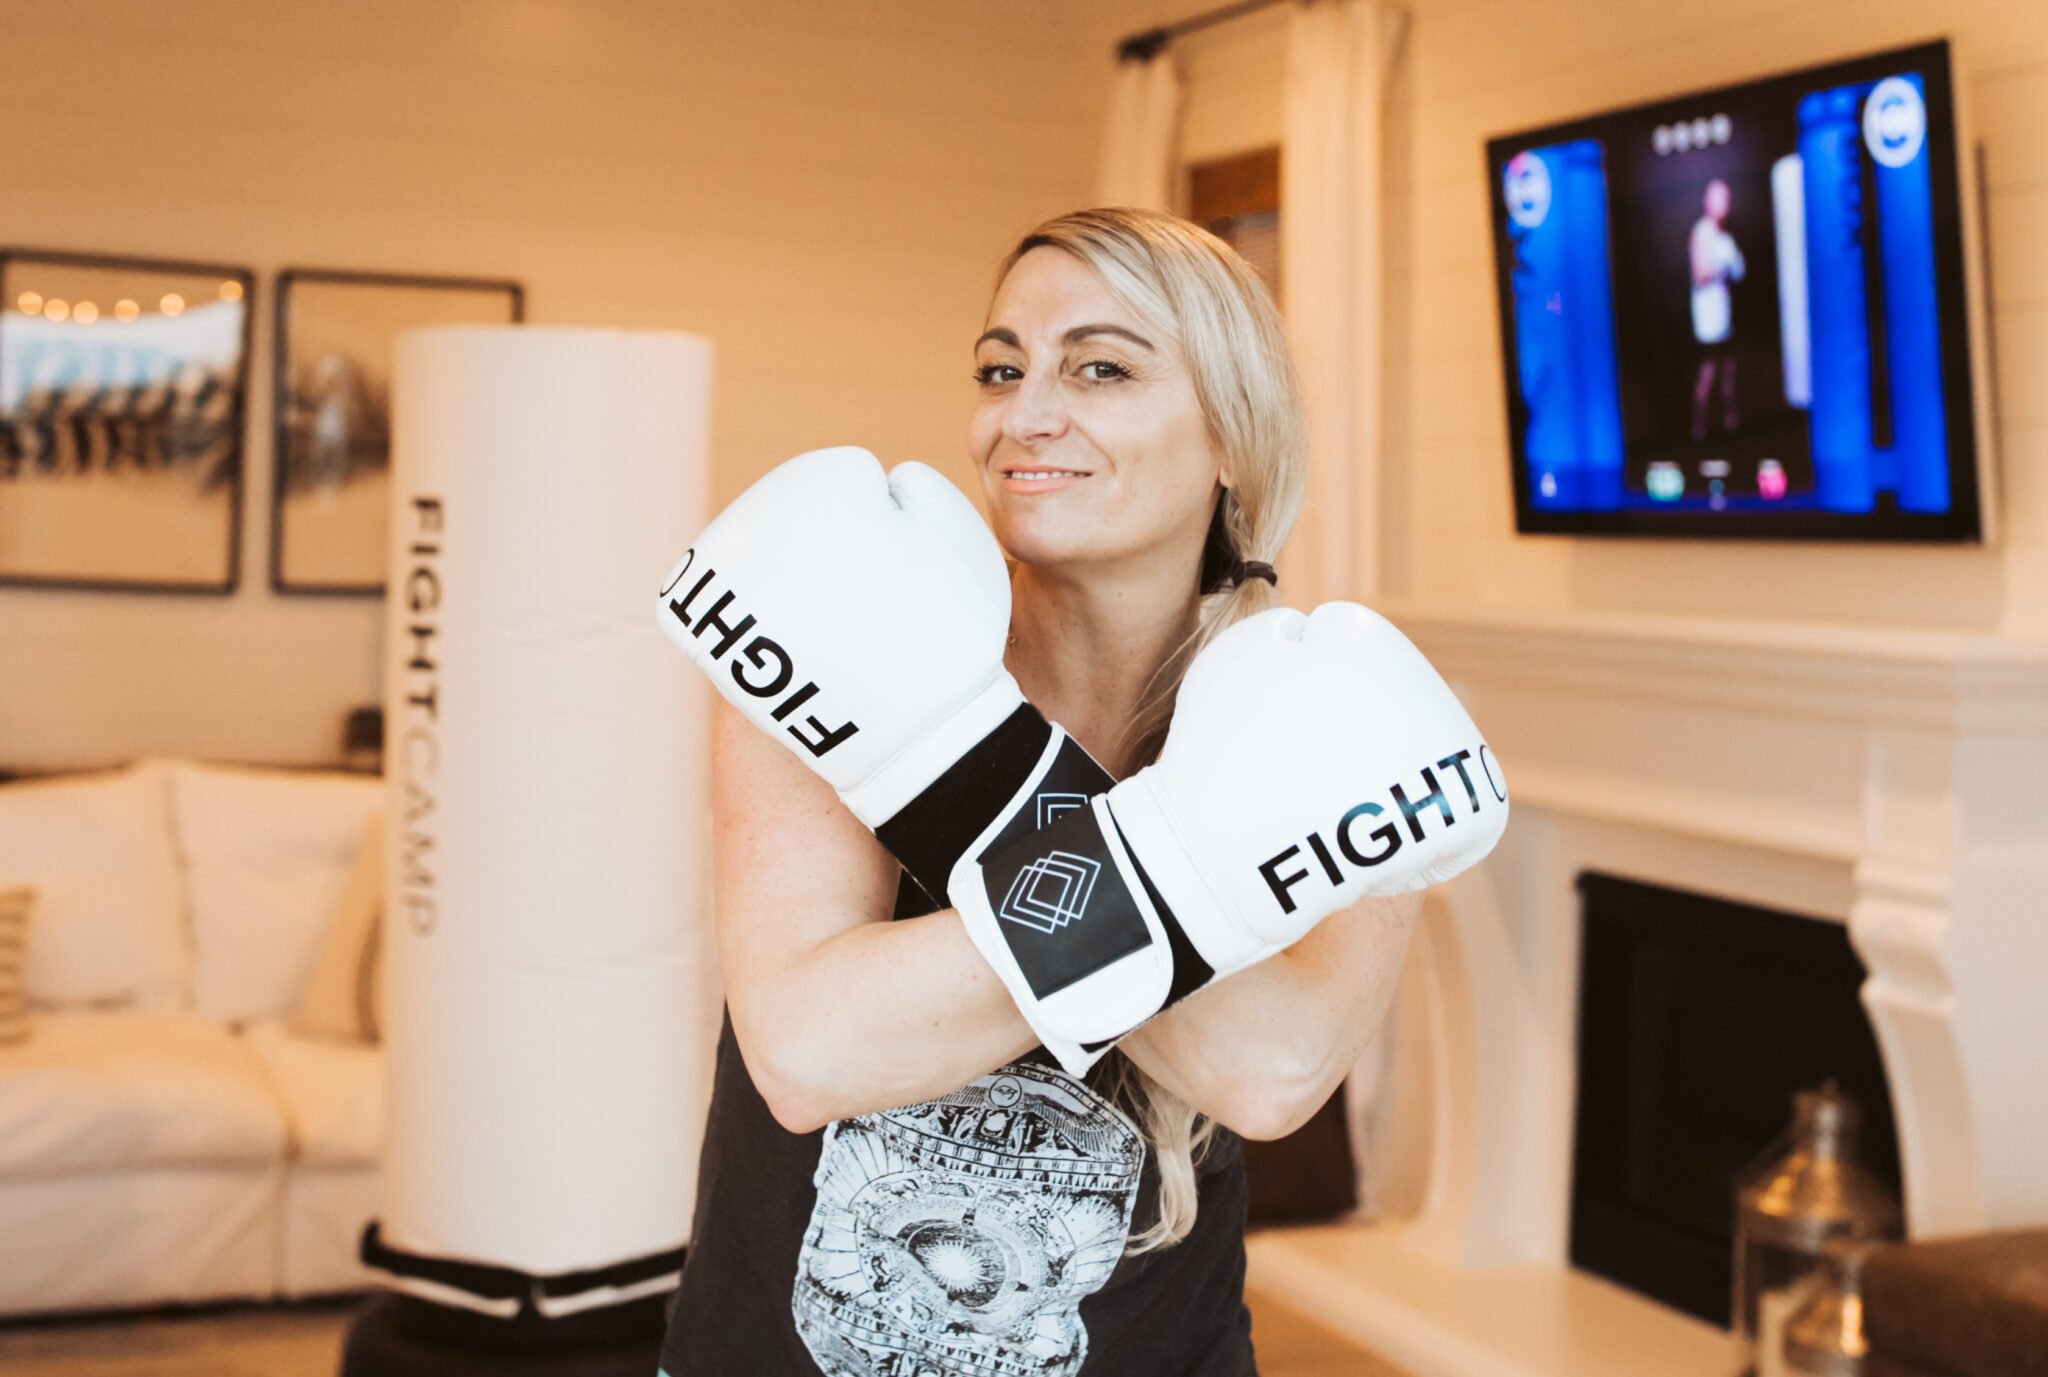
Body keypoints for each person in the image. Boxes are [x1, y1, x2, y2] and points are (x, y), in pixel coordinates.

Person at [656, 208, 1431, 1377]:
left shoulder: (1324, 718)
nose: (1022, 416)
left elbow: (1269, 1072)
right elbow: (809, 1049)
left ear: (1231, 433)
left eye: (1100, 368)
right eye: (1000, 368)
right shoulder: (847, 628)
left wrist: (950, 784)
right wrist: (1187, 885)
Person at [1690, 177, 1745, 443]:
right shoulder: (1701, 232)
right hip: (1708, 315)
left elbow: (1738, 271)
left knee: (1729, 368)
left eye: (1727, 198)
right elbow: (1700, 273)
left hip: (1725, 311)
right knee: (1709, 369)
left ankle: (1730, 423)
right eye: (1720, 198)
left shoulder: (1724, 235)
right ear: (1708, 201)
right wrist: (1722, 266)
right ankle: (1699, 427)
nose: (1725, 204)